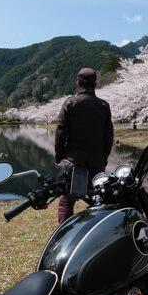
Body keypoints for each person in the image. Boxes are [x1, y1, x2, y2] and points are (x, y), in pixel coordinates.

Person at [54, 68, 114, 223]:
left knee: (67, 200)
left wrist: (59, 157)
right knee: (97, 198)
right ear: (95, 83)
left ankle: (64, 233)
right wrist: (104, 158)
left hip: (74, 160)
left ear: (78, 84)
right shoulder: (103, 105)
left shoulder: (70, 103)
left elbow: (60, 132)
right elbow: (108, 137)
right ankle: (95, 232)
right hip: (96, 161)